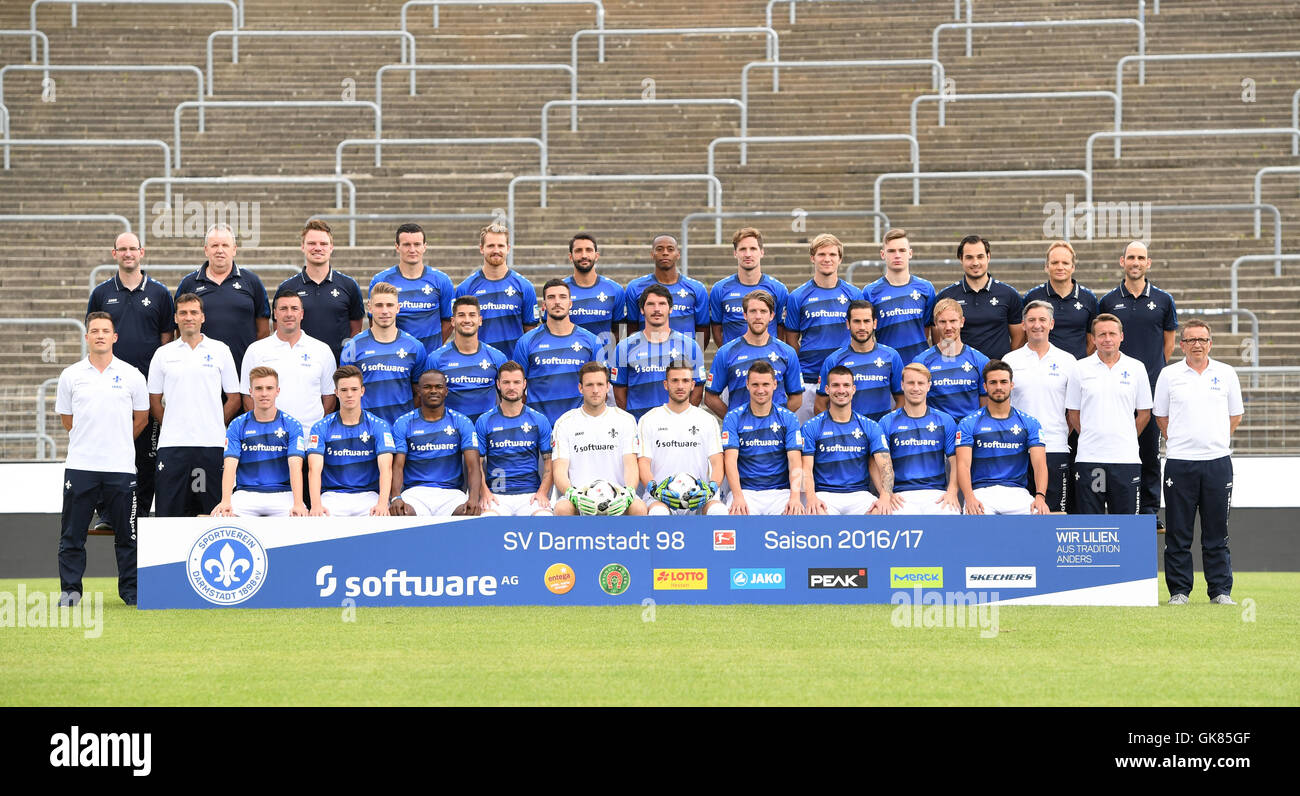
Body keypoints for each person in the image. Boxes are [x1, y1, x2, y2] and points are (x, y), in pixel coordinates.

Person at [55, 312, 149, 606]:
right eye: (94, 330)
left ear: (114, 337)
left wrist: (116, 441)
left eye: (105, 331)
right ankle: (70, 591)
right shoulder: (71, 375)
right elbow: (68, 420)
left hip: (120, 468)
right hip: (81, 467)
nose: (99, 335)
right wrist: (92, 440)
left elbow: (142, 418)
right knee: (72, 535)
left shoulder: (132, 374)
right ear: (86, 337)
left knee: (127, 536)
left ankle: (131, 592)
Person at [1153, 320, 1243, 605]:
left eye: (1202, 339)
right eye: (1191, 340)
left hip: (1217, 463)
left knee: (1217, 532)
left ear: (1210, 343)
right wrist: (1184, 440)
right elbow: (1161, 418)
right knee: (1178, 532)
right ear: (1182, 345)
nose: (1197, 345)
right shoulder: (1169, 375)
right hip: (1180, 463)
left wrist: (1213, 440)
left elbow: (1235, 416)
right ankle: (1179, 591)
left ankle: (1220, 591)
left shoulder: (1227, 373)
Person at [86, 231, 173, 521]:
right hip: (110, 388)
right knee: (109, 450)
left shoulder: (159, 293)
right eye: (122, 249)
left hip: (147, 389)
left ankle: (141, 514)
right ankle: (108, 514)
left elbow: (166, 341)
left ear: (142, 252)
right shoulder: (101, 293)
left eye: (132, 248)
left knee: (146, 456)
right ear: (114, 254)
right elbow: (94, 335)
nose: (127, 253)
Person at [1099, 240, 1177, 524]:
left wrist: (1149, 372)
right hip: (1115, 388)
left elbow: (1168, 343)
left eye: (1140, 257)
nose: (1135, 262)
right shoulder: (1108, 301)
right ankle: (1111, 505)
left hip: (1150, 389)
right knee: (1111, 446)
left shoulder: (1164, 300)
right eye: (1130, 257)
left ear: (1148, 263)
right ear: (1122, 262)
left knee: (1148, 450)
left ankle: (1148, 509)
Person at [147, 293, 241, 517]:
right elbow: (154, 400)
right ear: (176, 318)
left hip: (212, 444)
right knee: (169, 515)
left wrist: (214, 420)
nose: (189, 317)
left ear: (203, 317)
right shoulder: (163, 354)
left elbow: (234, 398)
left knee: (214, 515)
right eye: (183, 313)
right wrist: (172, 423)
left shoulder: (220, 350)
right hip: (172, 446)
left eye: (194, 312)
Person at [1066, 314, 1151, 515]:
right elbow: (1073, 413)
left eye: (1112, 333)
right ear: (1093, 339)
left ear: (1121, 336)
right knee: (1090, 524)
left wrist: (1127, 435)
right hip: (1090, 458)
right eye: (1101, 334)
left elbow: (1145, 413)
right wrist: (1092, 435)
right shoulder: (1080, 368)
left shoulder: (1136, 368)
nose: (1107, 339)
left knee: (1127, 524)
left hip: (1126, 459)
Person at [1003, 300, 1077, 513]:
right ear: (1023, 325)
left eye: (1042, 320)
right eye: (1031, 320)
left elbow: (1073, 410)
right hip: (1018, 449)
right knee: (1020, 514)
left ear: (1051, 324)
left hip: (1055, 447)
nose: (1037, 325)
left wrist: (1061, 433)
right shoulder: (1011, 360)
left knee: (1054, 514)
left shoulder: (1068, 361)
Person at [784, 233, 864, 422]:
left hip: (845, 380)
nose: (827, 259)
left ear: (840, 259)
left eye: (832, 255)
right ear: (813, 258)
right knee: (806, 440)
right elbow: (792, 339)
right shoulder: (798, 296)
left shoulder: (854, 294)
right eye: (821, 254)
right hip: (809, 379)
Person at [552, 362, 647, 516]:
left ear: (608, 387)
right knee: (562, 508)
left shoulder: (625, 420)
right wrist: (573, 494)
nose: (595, 390)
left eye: (600, 384)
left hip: (617, 497)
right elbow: (559, 471)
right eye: (589, 385)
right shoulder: (564, 422)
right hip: (580, 497)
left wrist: (628, 492)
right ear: (580, 388)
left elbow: (630, 465)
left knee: (639, 507)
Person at [956, 361, 1050, 515]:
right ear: (985, 387)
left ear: (1011, 385)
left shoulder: (1030, 423)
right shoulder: (969, 423)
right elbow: (963, 465)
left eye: (1003, 382)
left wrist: (1040, 497)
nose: (998, 387)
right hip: (981, 493)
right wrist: (969, 497)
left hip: (1017, 492)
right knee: (975, 523)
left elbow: (1040, 465)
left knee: (1038, 516)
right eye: (993, 382)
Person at [212, 366, 308, 518]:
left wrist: (298, 502)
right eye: (259, 388)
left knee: (301, 516)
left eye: (269, 388)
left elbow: (295, 467)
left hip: (283, 493)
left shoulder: (292, 425)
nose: (264, 393)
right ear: (250, 391)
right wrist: (225, 501)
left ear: (278, 391)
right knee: (220, 516)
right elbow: (230, 465)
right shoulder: (237, 424)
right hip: (246, 493)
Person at [174, 223, 270, 373]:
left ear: (234, 249)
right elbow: (180, 328)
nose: (220, 250)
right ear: (206, 250)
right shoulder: (189, 283)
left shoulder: (252, 282)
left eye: (225, 245)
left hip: (243, 369)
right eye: (214, 245)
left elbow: (263, 331)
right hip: (200, 370)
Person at [239, 288, 336, 431]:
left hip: (309, 438)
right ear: (275, 314)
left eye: (294, 308)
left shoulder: (322, 350)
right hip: (269, 439)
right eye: (283, 309)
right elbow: (247, 397)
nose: (289, 314)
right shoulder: (256, 350)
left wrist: (317, 429)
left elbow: (329, 397)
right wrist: (262, 429)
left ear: (302, 314)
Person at [801, 366, 894, 515]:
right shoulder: (811, 426)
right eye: (835, 385)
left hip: (859, 494)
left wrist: (884, 497)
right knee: (814, 513)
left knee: (881, 512)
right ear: (827, 389)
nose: (841, 390)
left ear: (853, 389)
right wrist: (811, 497)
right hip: (825, 494)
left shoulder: (870, 426)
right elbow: (806, 469)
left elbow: (886, 466)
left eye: (846, 385)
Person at [638, 361, 727, 516]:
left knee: (718, 511)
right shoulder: (649, 419)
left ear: (693, 385)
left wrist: (710, 490)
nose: (680, 386)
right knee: (658, 513)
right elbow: (643, 463)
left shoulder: (707, 419)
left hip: (699, 496)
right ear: (666, 384)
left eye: (685, 381)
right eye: (675, 381)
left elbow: (717, 462)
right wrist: (655, 490)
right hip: (661, 497)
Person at [512, 278, 604, 427]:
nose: (557, 302)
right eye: (551, 297)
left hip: (580, 427)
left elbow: (600, 388)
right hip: (540, 428)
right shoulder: (526, 342)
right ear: (544, 305)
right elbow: (517, 388)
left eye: (562, 297)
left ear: (570, 303)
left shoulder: (592, 341)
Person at [390, 370, 482, 517]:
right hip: (415, 492)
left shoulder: (461, 422)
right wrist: (396, 497)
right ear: (418, 391)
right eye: (427, 387)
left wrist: (473, 498)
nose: (433, 391)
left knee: (469, 512)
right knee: (401, 512)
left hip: (451, 493)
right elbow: (398, 466)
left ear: (446, 391)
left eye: (438, 387)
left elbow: (473, 466)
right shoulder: (404, 423)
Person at [306, 366, 396, 517]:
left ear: (362, 391)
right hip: (333, 495)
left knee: (381, 519)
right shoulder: (320, 427)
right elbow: (314, 469)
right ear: (336, 393)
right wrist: (315, 505)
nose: (349, 395)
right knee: (318, 519)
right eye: (344, 390)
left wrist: (382, 503)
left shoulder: (379, 425)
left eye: (354, 389)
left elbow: (386, 469)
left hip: (369, 495)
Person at [721, 361, 805, 515]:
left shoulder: (789, 418)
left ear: (774, 384)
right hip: (746, 491)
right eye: (755, 385)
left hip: (781, 492)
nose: (760, 390)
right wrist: (738, 496)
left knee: (797, 515)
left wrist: (794, 496)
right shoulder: (733, 417)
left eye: (765, 384)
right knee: (733, 515)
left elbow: (795, 461)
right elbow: (730, 461)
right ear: (747, 385)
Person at [611, 284, 706, 420]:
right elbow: (619, 391)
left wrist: (682, 419)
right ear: (642, 310)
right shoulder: (624, 347)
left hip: (677, 427)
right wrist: (634, 421)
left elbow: (697, 388)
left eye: (662, 304)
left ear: (671, 309)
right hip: (639, 428)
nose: (657, 309)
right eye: (650, 304)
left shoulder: (690, 345)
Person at [877, 363, 960, 515]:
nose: (916, 388)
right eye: (910, 383)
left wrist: (952, 491)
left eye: (920, 383)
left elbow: (956, 462)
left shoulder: (945, 420)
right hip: (901, 495)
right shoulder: (887, 422)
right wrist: (887, 493)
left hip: (936, 493)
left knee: (950, 516)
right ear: (902, 385)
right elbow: (879, 464)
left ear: (929, 386)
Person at [277, 220, 364, 364]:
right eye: (312, 243)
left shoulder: (349, 286)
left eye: (323, 244)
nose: (318, 248)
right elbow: (280, 330)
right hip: (299, 367)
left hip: (338, 368)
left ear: (331, 247)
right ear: (302, 247)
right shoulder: (287, 288)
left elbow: (355, 331)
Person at [704, 290, 802, 416]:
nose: (758, 316)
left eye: (763, 311)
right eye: (753, 311)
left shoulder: (787, 353)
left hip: (775, 431)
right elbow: (710, 397)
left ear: (772, 316)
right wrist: (734, 421)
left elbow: (797, 399)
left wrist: (779, 420)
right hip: (740, 433)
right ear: (745, 315)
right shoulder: (726, 352)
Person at [340, 281, 424, 425]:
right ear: (370, 308)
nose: (385, 311)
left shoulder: (415, 347)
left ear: (398, 308)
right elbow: (345, 392)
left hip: (401, 432)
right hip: (365, 430)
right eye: (379, 305)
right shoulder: (352, 346)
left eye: (390, 305)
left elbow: (419, 393)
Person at [475, 362, 554, 517]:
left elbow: (549, 462)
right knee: (487, 520)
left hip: (530, 495)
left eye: (516, 382)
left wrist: (543, 492)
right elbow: (476, 464)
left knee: (544, 519)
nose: (511, 387)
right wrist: (484, 492)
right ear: (498, 384)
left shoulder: (539, 420)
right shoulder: (484, 421)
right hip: (496, 495)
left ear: (525, 384)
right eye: (506, 382)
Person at [369, 223, 455, 354]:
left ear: (425, 247)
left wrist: (432, 349)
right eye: (406, 245)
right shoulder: (381, 280)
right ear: (397, 247)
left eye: (417, 244)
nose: (412, 249)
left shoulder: (441, 280)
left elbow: (448, 321)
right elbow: (374, 321)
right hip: (395, 356)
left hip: (428, 356)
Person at [933, 235, 1024, 360]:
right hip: (961, 373)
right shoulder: (946, 297)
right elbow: (940, 339)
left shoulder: (1009, 294)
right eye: (969, 257)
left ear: (988, 257)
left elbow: (1019, 339)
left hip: (997, 372)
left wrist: (1006, 364)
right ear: (961, 259)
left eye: (980, 257)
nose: (975, 263)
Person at [422, 296, 509, 422]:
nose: (467, 320)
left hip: (486, 433)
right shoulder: (435, 359)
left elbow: (507, 398)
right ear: (453, 321)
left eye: (472, 315)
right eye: (461, 315)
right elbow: (428, 403)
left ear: (480, 320)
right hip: (451, 433)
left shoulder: (497, 357)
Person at [455, 222, 538, 353]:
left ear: (508, 248)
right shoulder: (465, 288)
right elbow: (460, 332)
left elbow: (530, 332)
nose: (496, 250)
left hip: (512, 367)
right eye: (491, 246)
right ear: (481, 248)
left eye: (500, 245)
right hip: (479, 366)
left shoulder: (525, 287)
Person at [815, 299, 903, 422]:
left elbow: (902, 399)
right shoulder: (833, 360)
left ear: (875, 323)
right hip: (848, 437)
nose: (862, 327)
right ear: (848, 324)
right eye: (856, 321)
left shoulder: (892, 356)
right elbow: (820, 405)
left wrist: (888, 426)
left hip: (880, 433)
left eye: (866, 321)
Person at [862, 228, 935, 363]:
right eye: (891, 251)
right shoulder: (870, 292)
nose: (897, 255)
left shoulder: (926, 288)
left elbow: (927, 328)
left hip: (919, 366)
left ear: (910, 253)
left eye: (902, 250)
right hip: (886, 364)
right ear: (883, 254)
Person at [623, 234, 709, 349]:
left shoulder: (697, 288)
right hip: (647, 356)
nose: (665, 253)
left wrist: (693, 358)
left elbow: (703, 329)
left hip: (683, 358)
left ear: (678, 254)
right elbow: (632, 327)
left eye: (670, 249)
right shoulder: (635, 287)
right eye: (659, 249)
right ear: (652, 254)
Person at [911, 298, 990, 420]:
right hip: (936, 432)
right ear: (935, 324)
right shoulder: (921, 361)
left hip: (967, 434)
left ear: (962, 322)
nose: (948, 327)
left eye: (953, 321)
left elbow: (985, 404)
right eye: (943, 322)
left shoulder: (980, 361)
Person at [709, 227, 789, 347]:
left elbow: (781, 328)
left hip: (768, 361)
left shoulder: (778, 289)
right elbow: (716, 329)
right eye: (742, 249)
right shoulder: (720, 289)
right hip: (734, 362)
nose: (747, 254)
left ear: (761, 252)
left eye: (753, 249)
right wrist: (729, 354)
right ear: (735, 253)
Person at [1021, 240, 1097, 360]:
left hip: (1077, 367)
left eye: (1065, 263)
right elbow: (1024, 336)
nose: (1060, 267)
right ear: (1046, 266)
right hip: (1041, 367)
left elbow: (1092, 340)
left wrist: (1075, 362)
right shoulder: (1032, 297)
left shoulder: (1088, 298)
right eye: (1055, 263)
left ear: (1073, 267)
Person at [563, 233, 625, 347]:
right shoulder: (560, 291)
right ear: (570, 257)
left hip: (603, 361)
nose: (584, 255)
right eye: (578, 251)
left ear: (596, 256)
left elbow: (621, 332)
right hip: (571, 360)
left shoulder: (615, 290)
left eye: (589, 250)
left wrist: (615, 360)